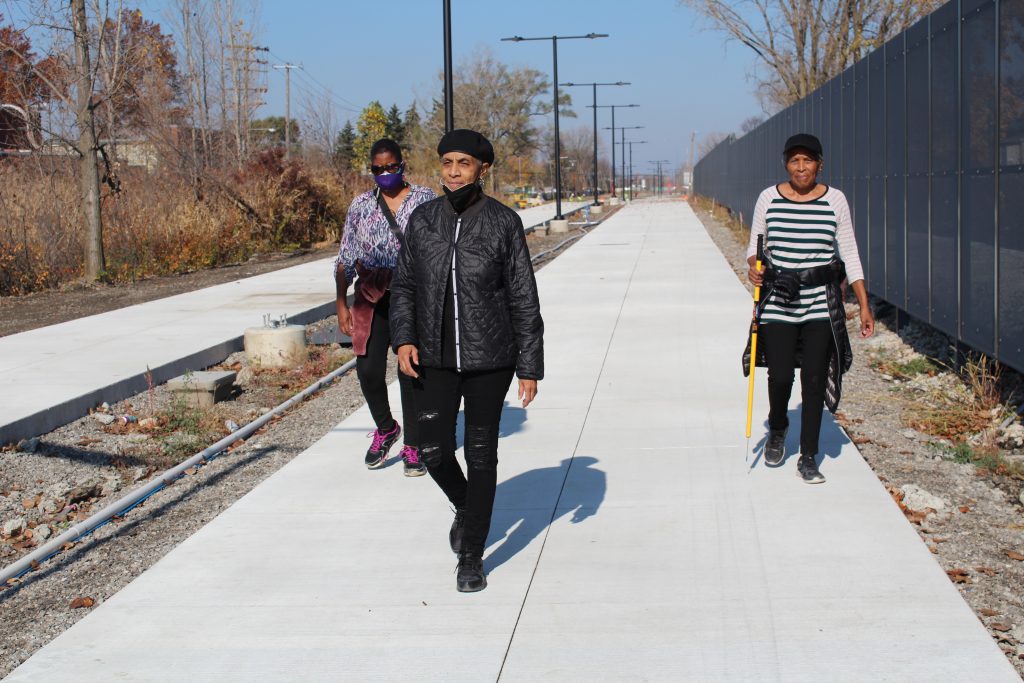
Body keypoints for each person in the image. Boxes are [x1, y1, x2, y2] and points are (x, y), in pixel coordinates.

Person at [390, 129, 544, 592]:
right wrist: (403, 340)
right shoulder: (423, 220)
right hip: (432, 357)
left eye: (464, 163)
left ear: (483, 169)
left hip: (489, 359)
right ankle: (467, 507)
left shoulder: (503, 222)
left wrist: (529, 365)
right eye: (447, 163)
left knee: (481, 455)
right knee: (432, 450)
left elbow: (522, 296)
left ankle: (472, 556)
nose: (454, 172)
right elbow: (405, 287)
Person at [745, 133, 874, 484]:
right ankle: (778, 428)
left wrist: (863, 305)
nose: (801, 167)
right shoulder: (768, 198)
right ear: (786, 164)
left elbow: (850, 253)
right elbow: (755, 248)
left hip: (819, 301)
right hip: (779, 301)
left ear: (819, 163)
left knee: (814, 379)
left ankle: (808, 455)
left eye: (808, 160)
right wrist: (755, 268)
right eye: (794, 161)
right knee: (781, 375)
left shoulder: (836, 201)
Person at [334, 139, 436, 476]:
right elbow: (346, 257)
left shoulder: (425, 200)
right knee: (368, 369)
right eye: (378, 169)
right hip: (371, 294)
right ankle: (386, 427)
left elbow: (438, 250)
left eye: (391, 167)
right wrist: (341, 303)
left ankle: (414, 445)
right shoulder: (361, 205)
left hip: (412, 293)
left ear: (402, 165)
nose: (385, 173)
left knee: (410, 368)